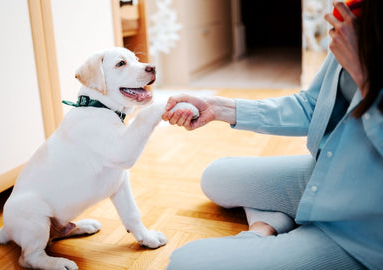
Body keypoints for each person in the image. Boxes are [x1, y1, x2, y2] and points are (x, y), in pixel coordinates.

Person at [163, 1, 382, 269]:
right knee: (217, 176)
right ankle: (272, 223)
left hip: (363, 227)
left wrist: (364, 77)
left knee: (185, 263)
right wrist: (218, 108)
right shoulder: (356, 20)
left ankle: (267, 232)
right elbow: (312, 105)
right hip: (330, 173)